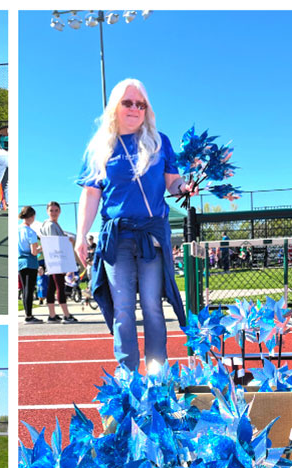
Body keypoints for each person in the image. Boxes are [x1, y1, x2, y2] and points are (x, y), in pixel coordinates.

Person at [74, 78, 192, 371]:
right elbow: (90, 194)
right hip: (117, 239)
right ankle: (128, 378)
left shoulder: (159, 141)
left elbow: (172, 183)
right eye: (128, 102)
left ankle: (157, 375)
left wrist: (184, 187)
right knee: (123, 310)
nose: (135, 108)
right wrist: (80, 236)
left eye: (141, 104)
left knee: (153, 306)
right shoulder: (100, 147)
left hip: (151, 235)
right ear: (115, 106)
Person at [39, 202, 78, 323]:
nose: (54, 213)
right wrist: (67, 241)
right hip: (56, 260)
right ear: (47, 211)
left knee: (51, 287)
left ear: (60, 211)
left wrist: (66, 238)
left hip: (51, 260)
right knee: (60, 286)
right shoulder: (50, 225)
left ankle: (52, 315)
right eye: (51, 210)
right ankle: (66, 315)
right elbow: (54, 243)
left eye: (56, 210)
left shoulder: (49, 224)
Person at [18, 206, 42, 323]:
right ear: (32, 217)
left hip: (19, 261)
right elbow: (34, 251)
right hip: (30, 262)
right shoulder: (31, 232)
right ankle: (29, 315)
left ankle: (27, 314)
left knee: (24, 289)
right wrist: (41, 248)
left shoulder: (17, 230)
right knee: (29, 289)